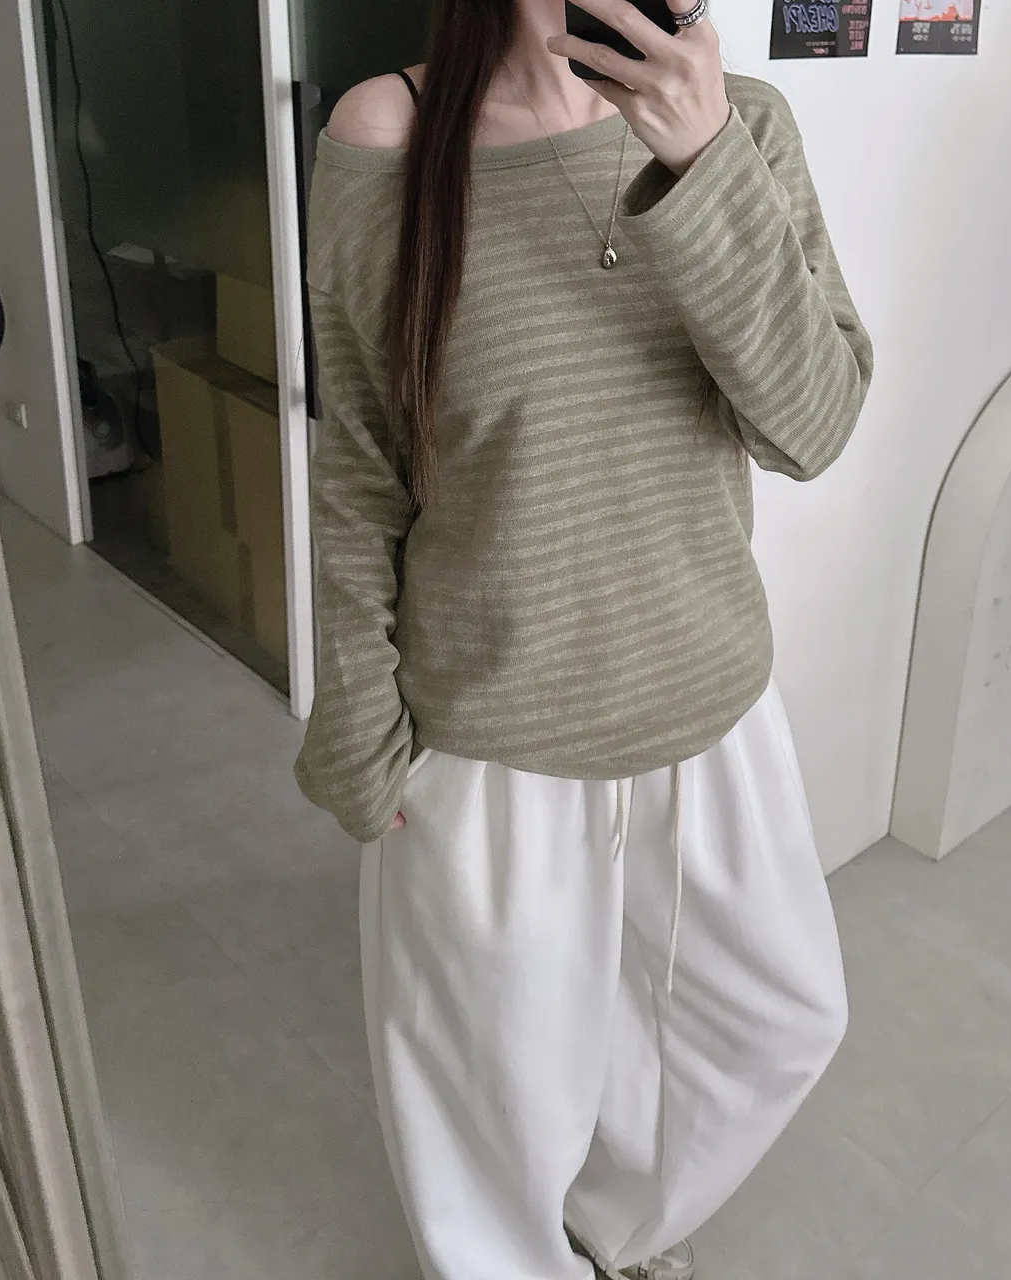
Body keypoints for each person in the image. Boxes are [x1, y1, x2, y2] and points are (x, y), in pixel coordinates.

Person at [296, 0, 873, 1277]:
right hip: (491, 733)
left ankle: (612, 1232)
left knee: (779, 1018)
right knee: (496, 1106)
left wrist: (703, 160)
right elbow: (362, 466)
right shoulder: (387, 139)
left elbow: (814, 425)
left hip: (710, 711)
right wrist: (360, 717)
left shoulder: (745, 126)